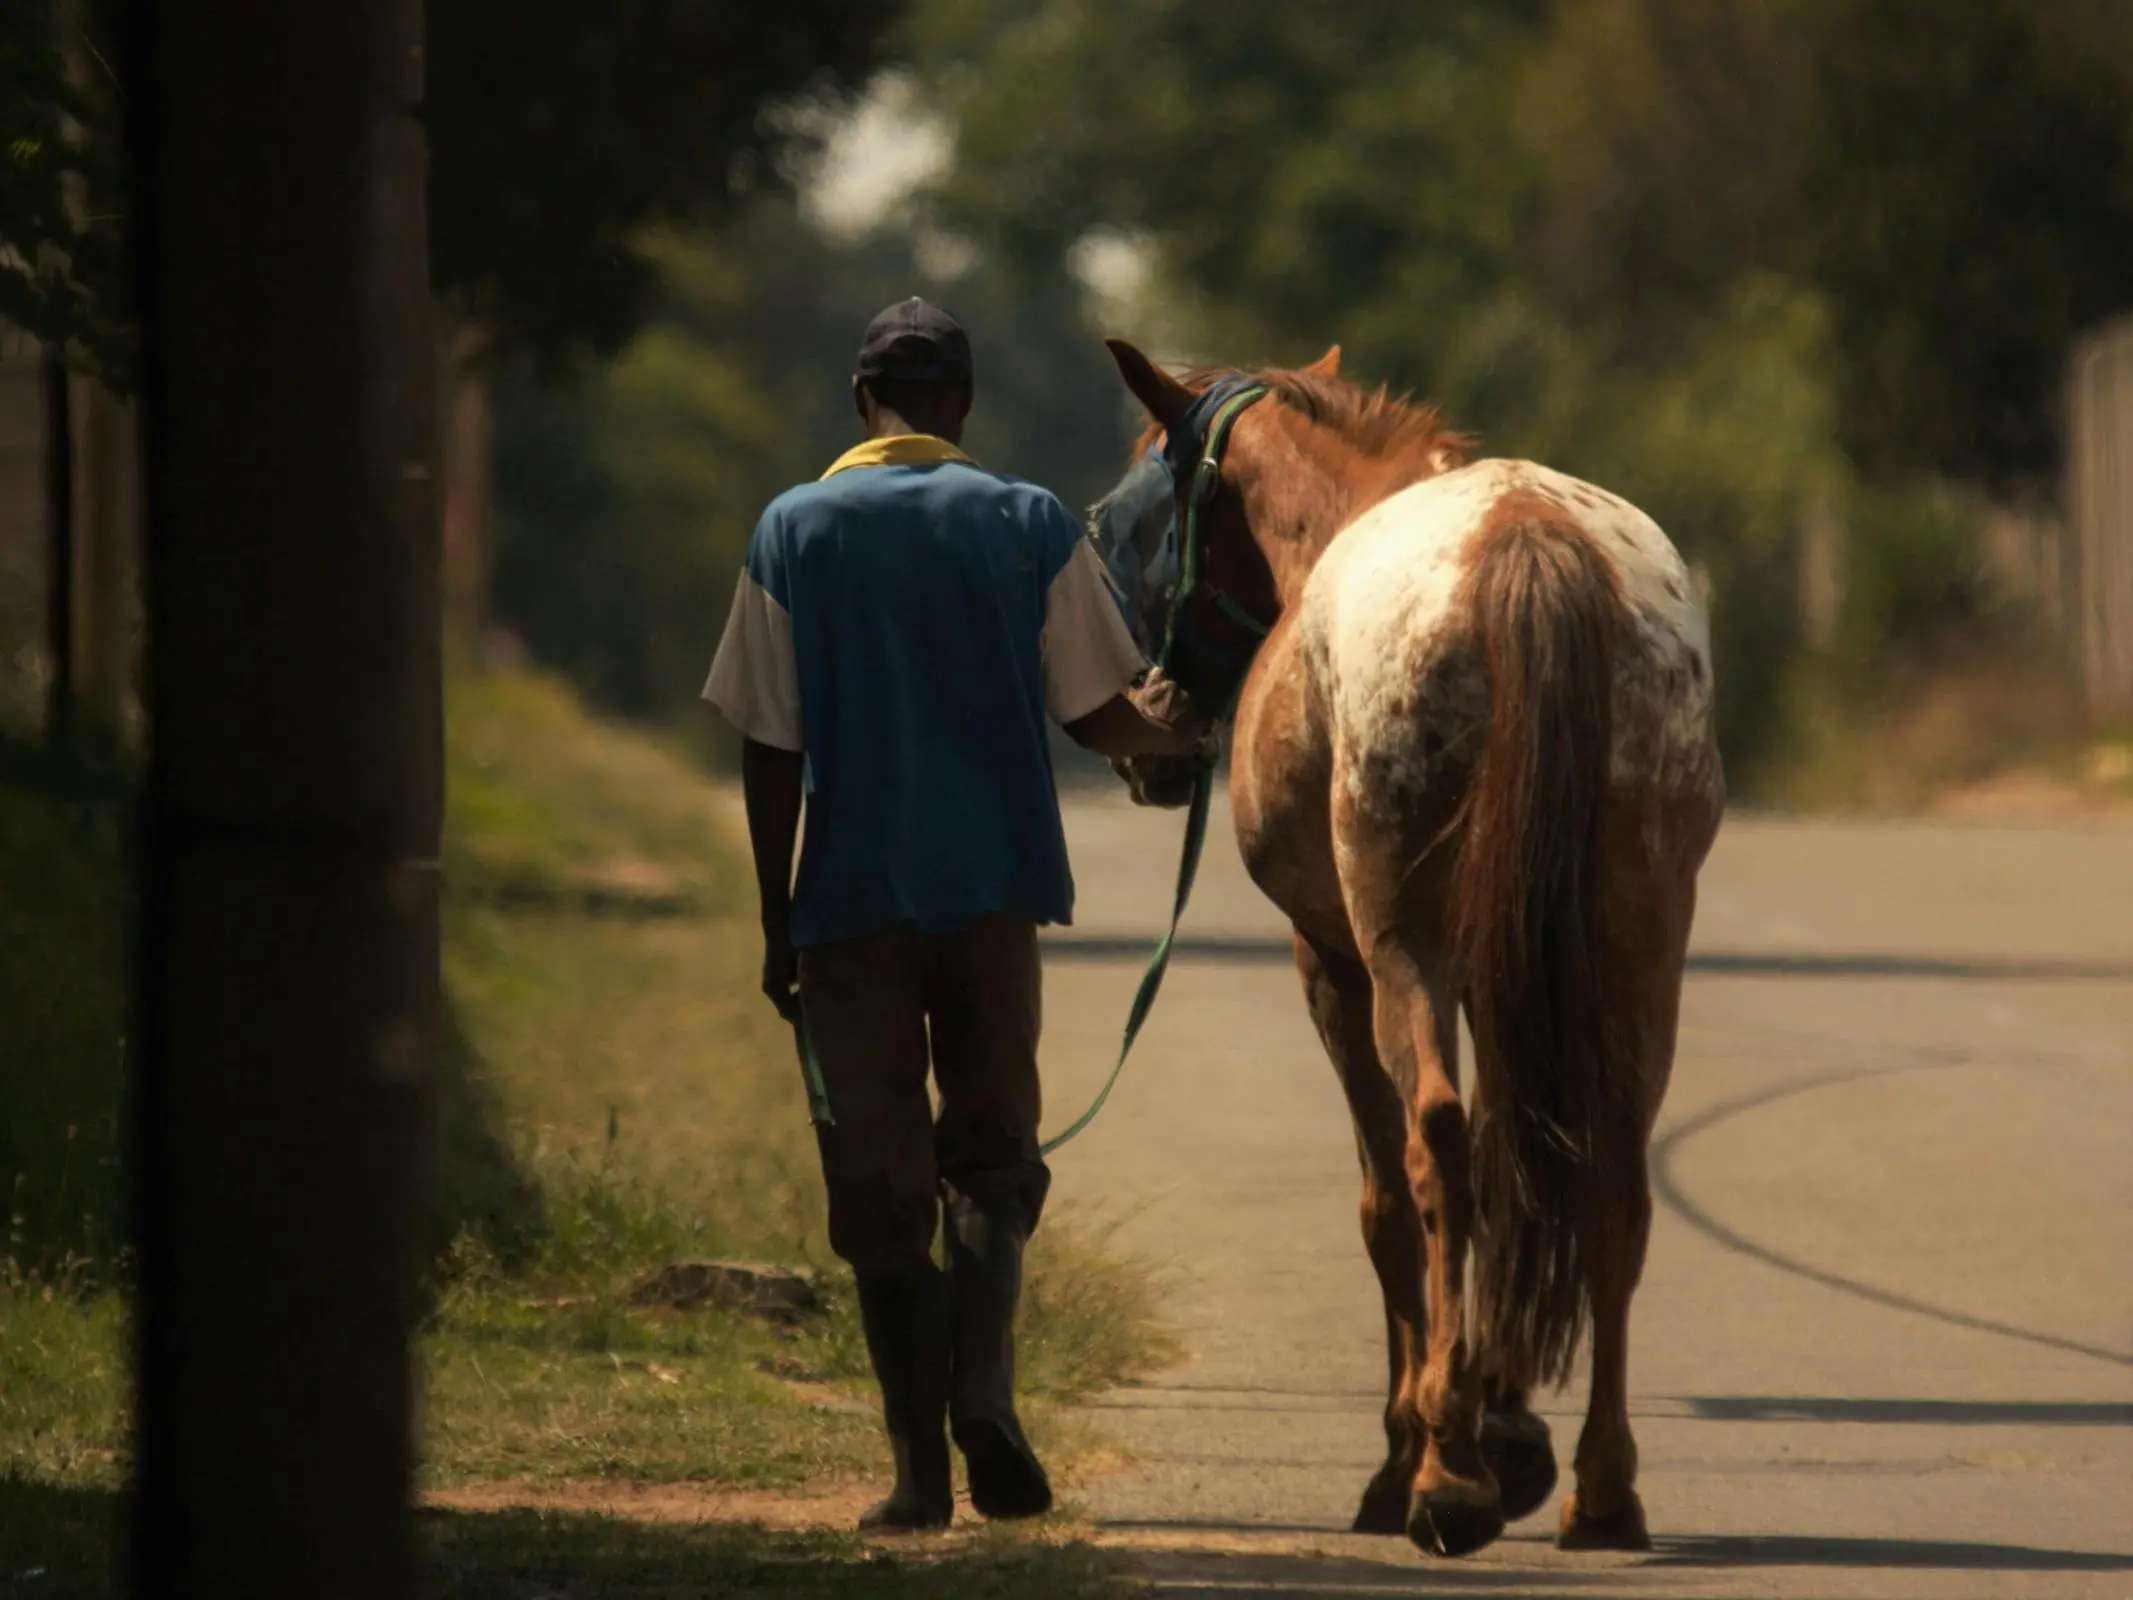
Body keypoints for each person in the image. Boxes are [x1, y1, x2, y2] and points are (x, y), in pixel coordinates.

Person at [703, 298, 1206, 1531]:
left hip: (852, 905)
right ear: (963, 406)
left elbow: (771, 749)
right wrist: (1177, 746)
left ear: (859, 402)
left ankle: (920, 1477)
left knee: (881, 1188)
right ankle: (986, 1388)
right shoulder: (1026, 521)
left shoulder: (791, 530)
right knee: (990, 1153)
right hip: (993, 897)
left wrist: (778, 920)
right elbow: (1097, 713)